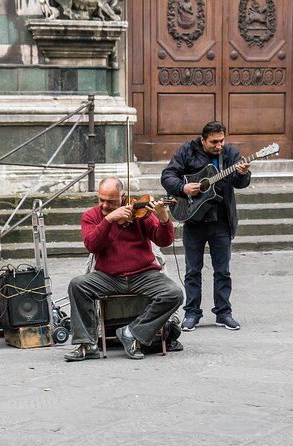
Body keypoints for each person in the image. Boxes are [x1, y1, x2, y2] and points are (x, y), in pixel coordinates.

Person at [64, 177, 183, 361]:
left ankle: (132, 333)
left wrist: (164, 219)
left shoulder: (140, 211)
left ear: (123, 196)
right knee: (78, 285)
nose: (104, 205)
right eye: (101, 200)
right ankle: (87, 343)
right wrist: (110, 219)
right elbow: (92, 246)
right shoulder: (90, 216)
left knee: (174, 293)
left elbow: (164, 241)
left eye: (111, 202)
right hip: (108, 276)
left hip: (144, 274)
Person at [160, 121, 251, 332]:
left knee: (223, 270)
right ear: (203, 140)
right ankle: (192, 313)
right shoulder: (187, 151)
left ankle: (223, 313)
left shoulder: (230, 154)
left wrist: (243, 173)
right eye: (214, 142)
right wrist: (183, 187)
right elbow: (167, 176)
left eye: (222, 141)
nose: (219, 146)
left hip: (221, 220)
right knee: (193, 270)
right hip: (194, 219)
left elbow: (240, 183)